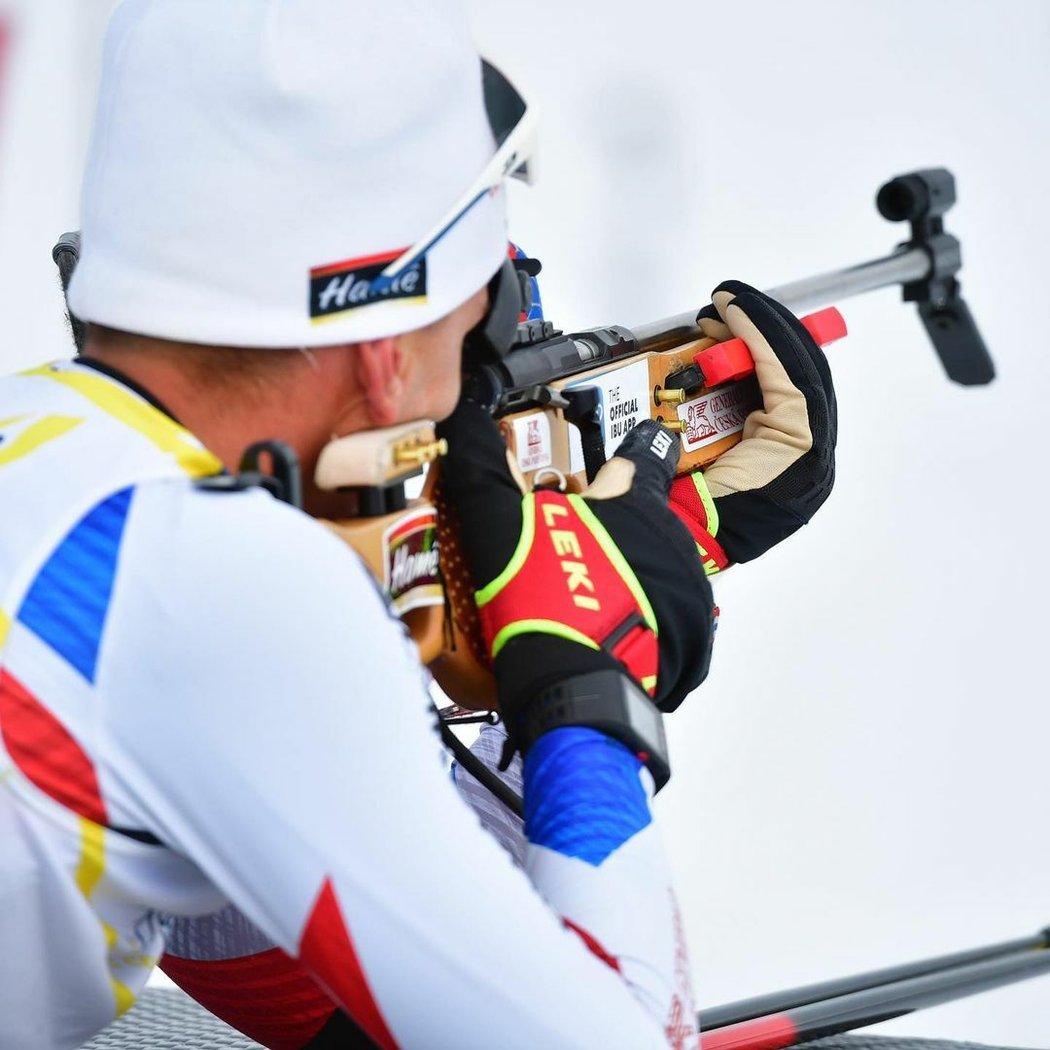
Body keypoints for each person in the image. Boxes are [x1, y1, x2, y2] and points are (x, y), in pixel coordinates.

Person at [0, 3, 836, 1049]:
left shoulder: (42, 443)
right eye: (483, 301)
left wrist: (507, 644)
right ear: (383, 348)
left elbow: (297, 960)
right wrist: (590, 680)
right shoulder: (231, 589)